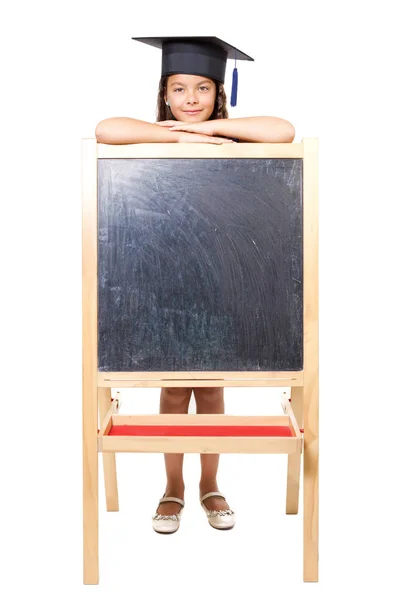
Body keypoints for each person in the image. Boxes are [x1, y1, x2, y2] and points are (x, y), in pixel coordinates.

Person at [95, 36, 295, 535]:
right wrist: (178, 138)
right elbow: (104, 128)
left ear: (218, 93)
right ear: (164, 94)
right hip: (160, 279)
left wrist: (211, 128)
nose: (189, 99)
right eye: (178, 89)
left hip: (225, 282)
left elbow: (285, 130)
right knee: (172, 390)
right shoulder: (150, 134)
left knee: (211, 391)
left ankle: (210, 486)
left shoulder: (234, 137)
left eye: (202, 89)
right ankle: (172, 488)